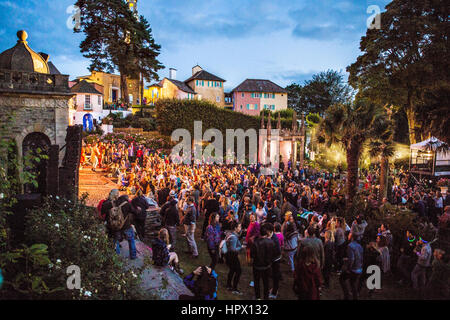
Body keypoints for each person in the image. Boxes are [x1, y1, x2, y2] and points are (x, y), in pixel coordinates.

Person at [250, 223, 275, 300]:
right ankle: (266, 297)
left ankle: (258, 297)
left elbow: (252, 255)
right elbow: (273, 254)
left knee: (257, 282)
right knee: (266, 283)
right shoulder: (271, 242)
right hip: (266, 266)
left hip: (257, 266)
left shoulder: (255, 243)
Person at [111, 195, 138, 260]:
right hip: (126, 225)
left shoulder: (114, 203)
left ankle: (116, 257)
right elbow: (135, 212)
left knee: (116, 241)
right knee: (131, 240)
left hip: (117, 225)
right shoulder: (127, 204)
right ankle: (133, 256)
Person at [339, 233, 363, 300]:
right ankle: (354, 297)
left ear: (352, 237)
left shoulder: (350, 246)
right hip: (359, 268)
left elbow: (352, 259)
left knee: (342, 279)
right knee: (352, 283)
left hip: (353, 268)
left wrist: (348, 269)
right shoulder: (360, 246)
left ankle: (347, 296)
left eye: (349, 235)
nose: (348, 236)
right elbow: (360, 257)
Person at [225, 221, 244, 295]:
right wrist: (240, 247)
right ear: (235, 228)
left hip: (228, 255)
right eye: (239, 227)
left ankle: (228, 285)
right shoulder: (234, 237)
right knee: (238, 271)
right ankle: (235, 288)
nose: (240, 228)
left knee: (232, 270)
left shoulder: (230, 233)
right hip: (232, 256)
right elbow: (233, 249)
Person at [269, 223, 282, 299]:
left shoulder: (274, 238)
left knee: (275, 276)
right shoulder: (274, 237)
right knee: (275, 275)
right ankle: (274, 289)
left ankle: (274, 292)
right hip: (276, 258)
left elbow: (276, 250)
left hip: (275, 259)